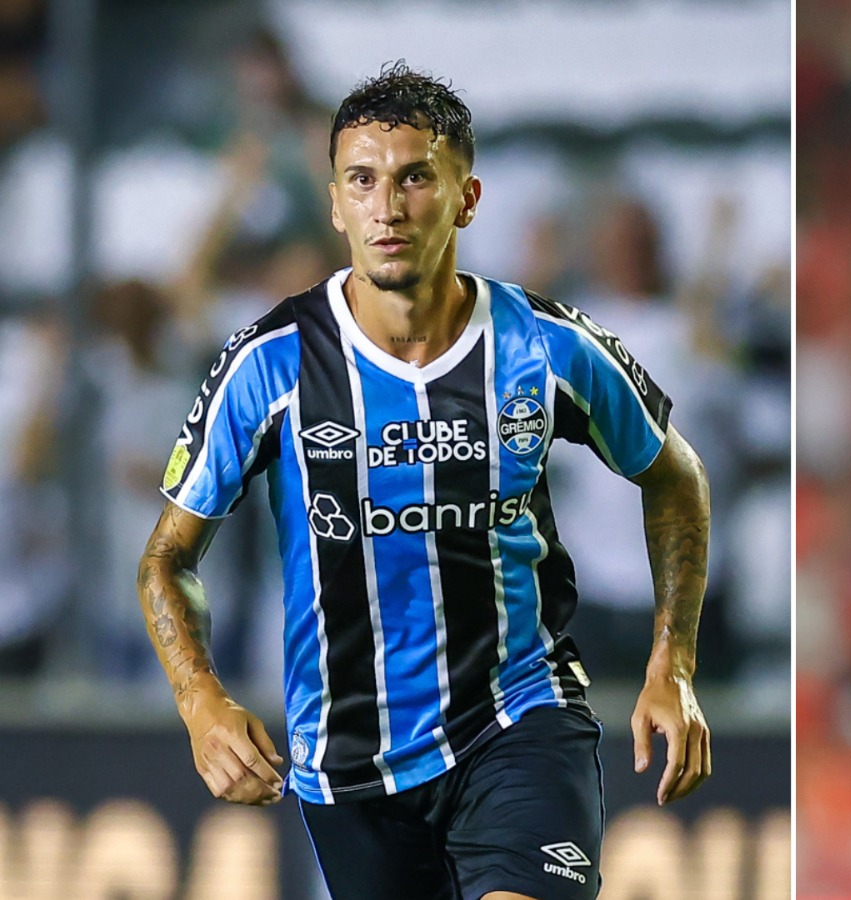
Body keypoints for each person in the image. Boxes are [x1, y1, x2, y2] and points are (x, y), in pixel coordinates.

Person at [136, 62, 712, 900]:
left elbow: (675, 477)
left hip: (519, 720)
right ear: (334, 204)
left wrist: (675, 662)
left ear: (465, 198)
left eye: (414, 178)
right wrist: (199, 701)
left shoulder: (544, 346)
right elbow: (165, 559)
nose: (387, 207)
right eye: (362, 181)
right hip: (349, 758)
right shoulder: (272, 364)